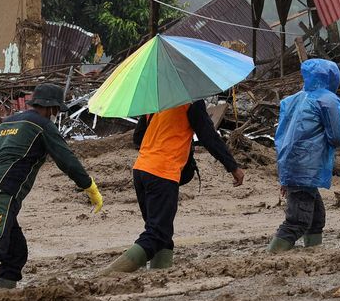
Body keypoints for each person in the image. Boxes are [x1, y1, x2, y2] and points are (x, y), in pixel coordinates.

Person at [0, 83, 103, 291]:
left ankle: (2, 292)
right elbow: (66, 159)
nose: (57, 114)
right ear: (50, 108)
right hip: (1, 191)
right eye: (57, 110)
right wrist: (89, 186)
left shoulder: (8, 123)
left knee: (16, 252)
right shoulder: (43, 125)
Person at [102, 98, 244, 273]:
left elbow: (138, 137)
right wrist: (233, 167)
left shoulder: (156, 100)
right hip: (162, 172)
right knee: (156, 233)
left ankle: (159, 275)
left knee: (162, 232)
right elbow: (208, 136)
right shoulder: (191, 100)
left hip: (141, 170)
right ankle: (107, 274)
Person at [267, 58, 340, 252]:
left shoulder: (293, 99)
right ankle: (272, 255)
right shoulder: (327, 100)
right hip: (307, 166)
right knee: (298, 221)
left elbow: (281, 134)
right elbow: (337, 137)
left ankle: (313, 253)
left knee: (316, 217)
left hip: (289, 162)